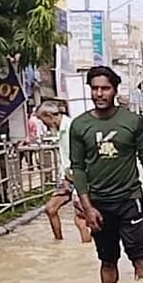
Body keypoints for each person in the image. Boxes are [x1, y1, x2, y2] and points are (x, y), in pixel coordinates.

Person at [69, 66, 143, 283]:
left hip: (129, 200)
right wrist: (87, 208)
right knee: (107, 261)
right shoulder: (79, 125)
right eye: (94, 88)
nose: (99, 94)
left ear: (115, 90)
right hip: (98, 204)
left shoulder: (132, 121)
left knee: (140, 258)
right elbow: (78, 168)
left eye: (105, 88)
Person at [36, 101, 91, 243]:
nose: (44, 125)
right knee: (51, 208)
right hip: (68, 178)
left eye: (43, 120)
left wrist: (78, 188)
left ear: (49, 116)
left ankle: (88, 248)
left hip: (80, 178)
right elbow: (65, 157)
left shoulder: (72, 128)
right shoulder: (61, 130)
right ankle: (58, 242)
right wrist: (64, 178)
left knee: (80, 219)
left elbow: (81, 158)